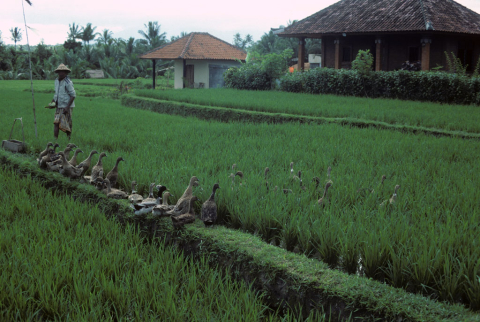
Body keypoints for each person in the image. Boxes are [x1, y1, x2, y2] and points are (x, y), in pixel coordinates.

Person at [51, 63, 76, 140]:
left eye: (63, 72)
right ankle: (55, 140)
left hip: (66, 106)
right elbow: (56, 93)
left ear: (66, 73)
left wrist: (67, 107)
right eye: (59, 71)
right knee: (56, 123)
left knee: (67, 124)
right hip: (58, 106)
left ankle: (69, 140)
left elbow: (73, 95)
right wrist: (53, 101)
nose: (61, 73)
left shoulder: (68, 82)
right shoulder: (56, 81)